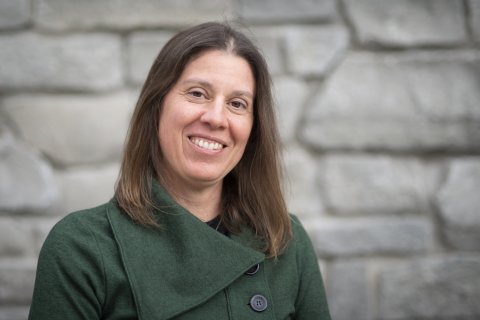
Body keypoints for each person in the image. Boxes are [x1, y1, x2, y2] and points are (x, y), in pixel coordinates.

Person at [28, 21, 331, 320]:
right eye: (198, 93)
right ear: (156, 107)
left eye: (237, 104)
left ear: (253, 129)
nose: (216, 118)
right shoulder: (82, 248)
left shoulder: (284, 239)